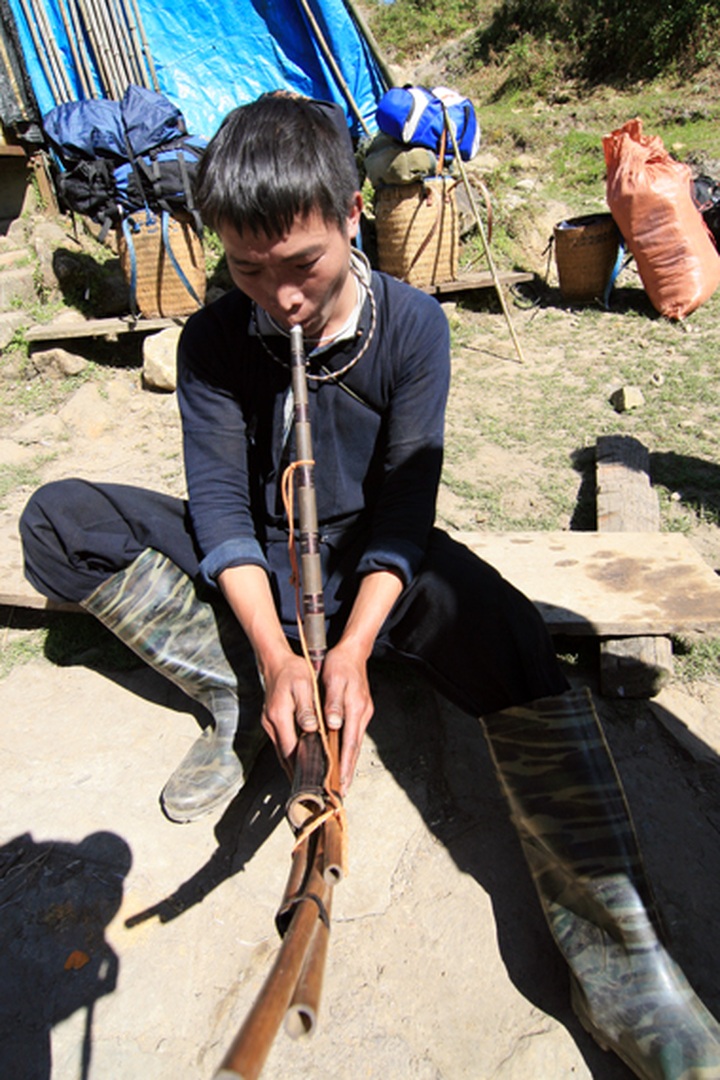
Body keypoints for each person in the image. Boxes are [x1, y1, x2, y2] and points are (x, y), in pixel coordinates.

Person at [19, 94, 720, 1079]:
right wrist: (275, 656)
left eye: (302, 265)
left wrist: (348, 651)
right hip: (261, 565)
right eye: (247, 271)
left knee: (513, 638)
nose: (281, 299)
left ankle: (620, 966)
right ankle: (237, 689)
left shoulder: (413, 327)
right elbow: (219, 508)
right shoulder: (215, 342)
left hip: (372, 563)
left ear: (353, 215)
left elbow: (405, 507)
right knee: (61, 519)